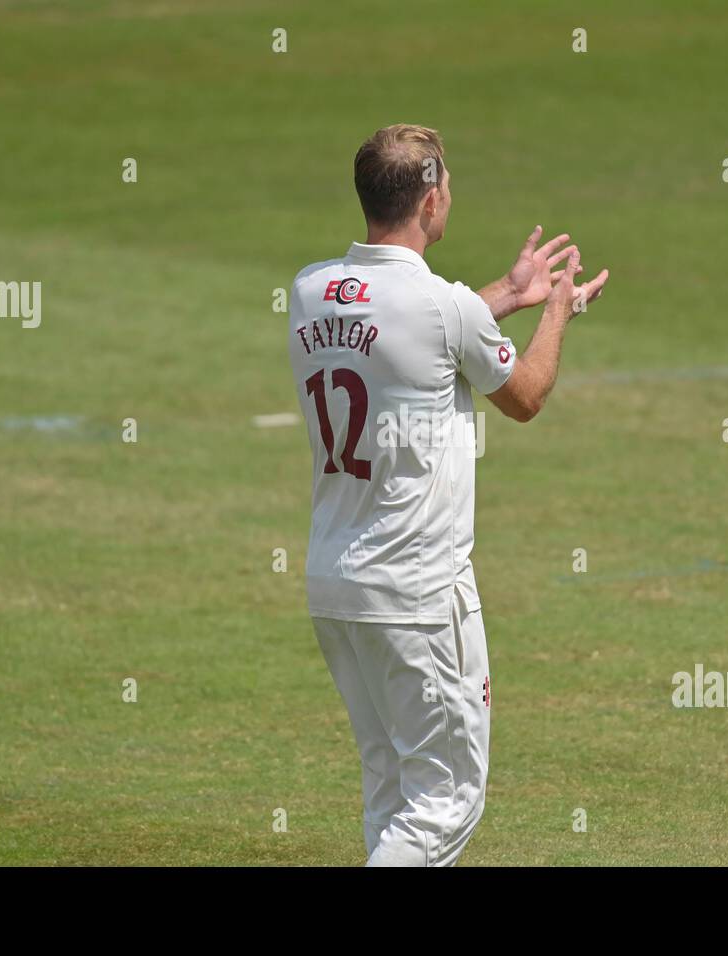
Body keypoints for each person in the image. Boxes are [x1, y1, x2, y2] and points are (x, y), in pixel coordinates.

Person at [287, 124, 608, 866]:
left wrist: (505, 294)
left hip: (336, 584)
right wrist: (555, 310)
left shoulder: (309, 292)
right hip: (419, 592)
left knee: (393, 789)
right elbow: (524, 396)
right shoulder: (443, 306)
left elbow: (413, 330)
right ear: (432, 200)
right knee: (443, 805)